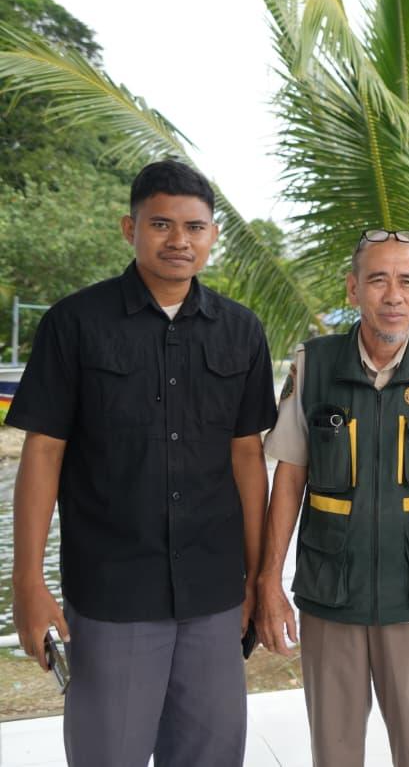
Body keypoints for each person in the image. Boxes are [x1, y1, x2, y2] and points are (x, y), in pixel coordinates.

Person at [8, 159, 277, 766]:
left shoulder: (241, 331)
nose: (178, 240)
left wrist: (258, 578)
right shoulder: (74, 324)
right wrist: (28, 580)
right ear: (130, 229)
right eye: (161, 224)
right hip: (112, 593)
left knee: (210, 755)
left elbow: (246, 458)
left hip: (213, 593)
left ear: (211, 236)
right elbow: (43, 452)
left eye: (194, 227)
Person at [255, 228, 409, 767]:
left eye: (406, 281)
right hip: (331, 596)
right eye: (377, 280)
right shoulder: (314, 366)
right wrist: (268, 582)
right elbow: (288, 480)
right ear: (353, 289)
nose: (393, 295)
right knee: (332, 754)